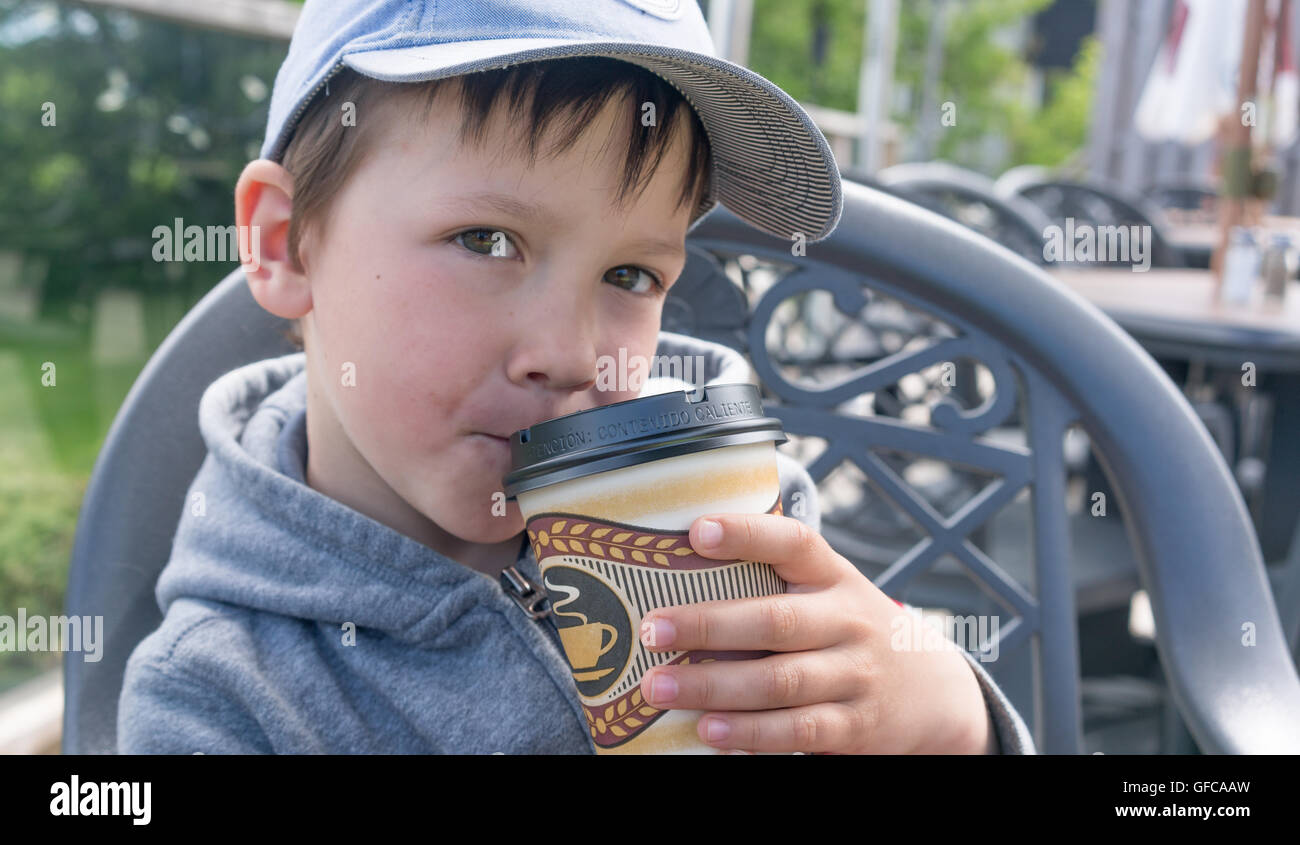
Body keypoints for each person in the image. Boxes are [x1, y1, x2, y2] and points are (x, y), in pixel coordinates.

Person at [117, 0, 1035, 755]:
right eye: (487, 240)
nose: (569, 350)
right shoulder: (222, 694)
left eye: (631, 275)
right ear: (285, 242)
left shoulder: (724, 522)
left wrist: (948, 718)